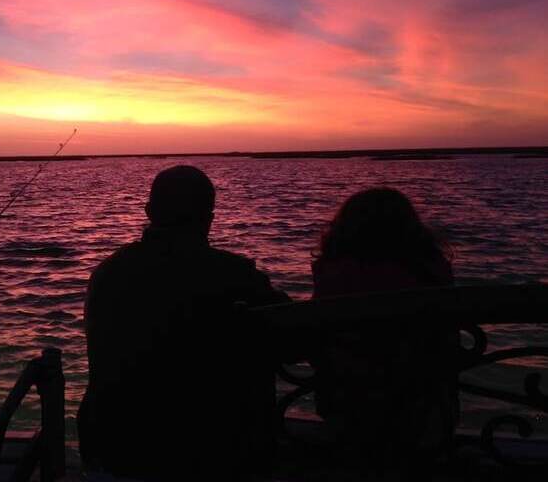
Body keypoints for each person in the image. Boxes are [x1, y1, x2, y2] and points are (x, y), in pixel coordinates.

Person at [79, 165, 290, 480]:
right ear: (210, 214)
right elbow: (293, 339)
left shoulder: (107, 273)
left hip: (114, 450)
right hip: (212, 456)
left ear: (149, 211)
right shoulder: (235, 276)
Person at [310, 187, 457, 466]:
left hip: (347, 396)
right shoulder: (432, 269)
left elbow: (320, 335)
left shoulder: (333, 272)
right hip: (424, 399)